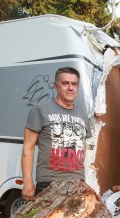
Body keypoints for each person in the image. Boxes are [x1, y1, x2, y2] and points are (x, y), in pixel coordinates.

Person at [21, 67, 92, 200]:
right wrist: (27, 181)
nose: (70, 88)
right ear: (56, 86)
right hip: (49, 182)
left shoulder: (82, 114)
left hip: (77, 183)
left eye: (74, 84)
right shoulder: (40, 110)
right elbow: (28, 148)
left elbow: (82, 146)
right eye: (65, 83)